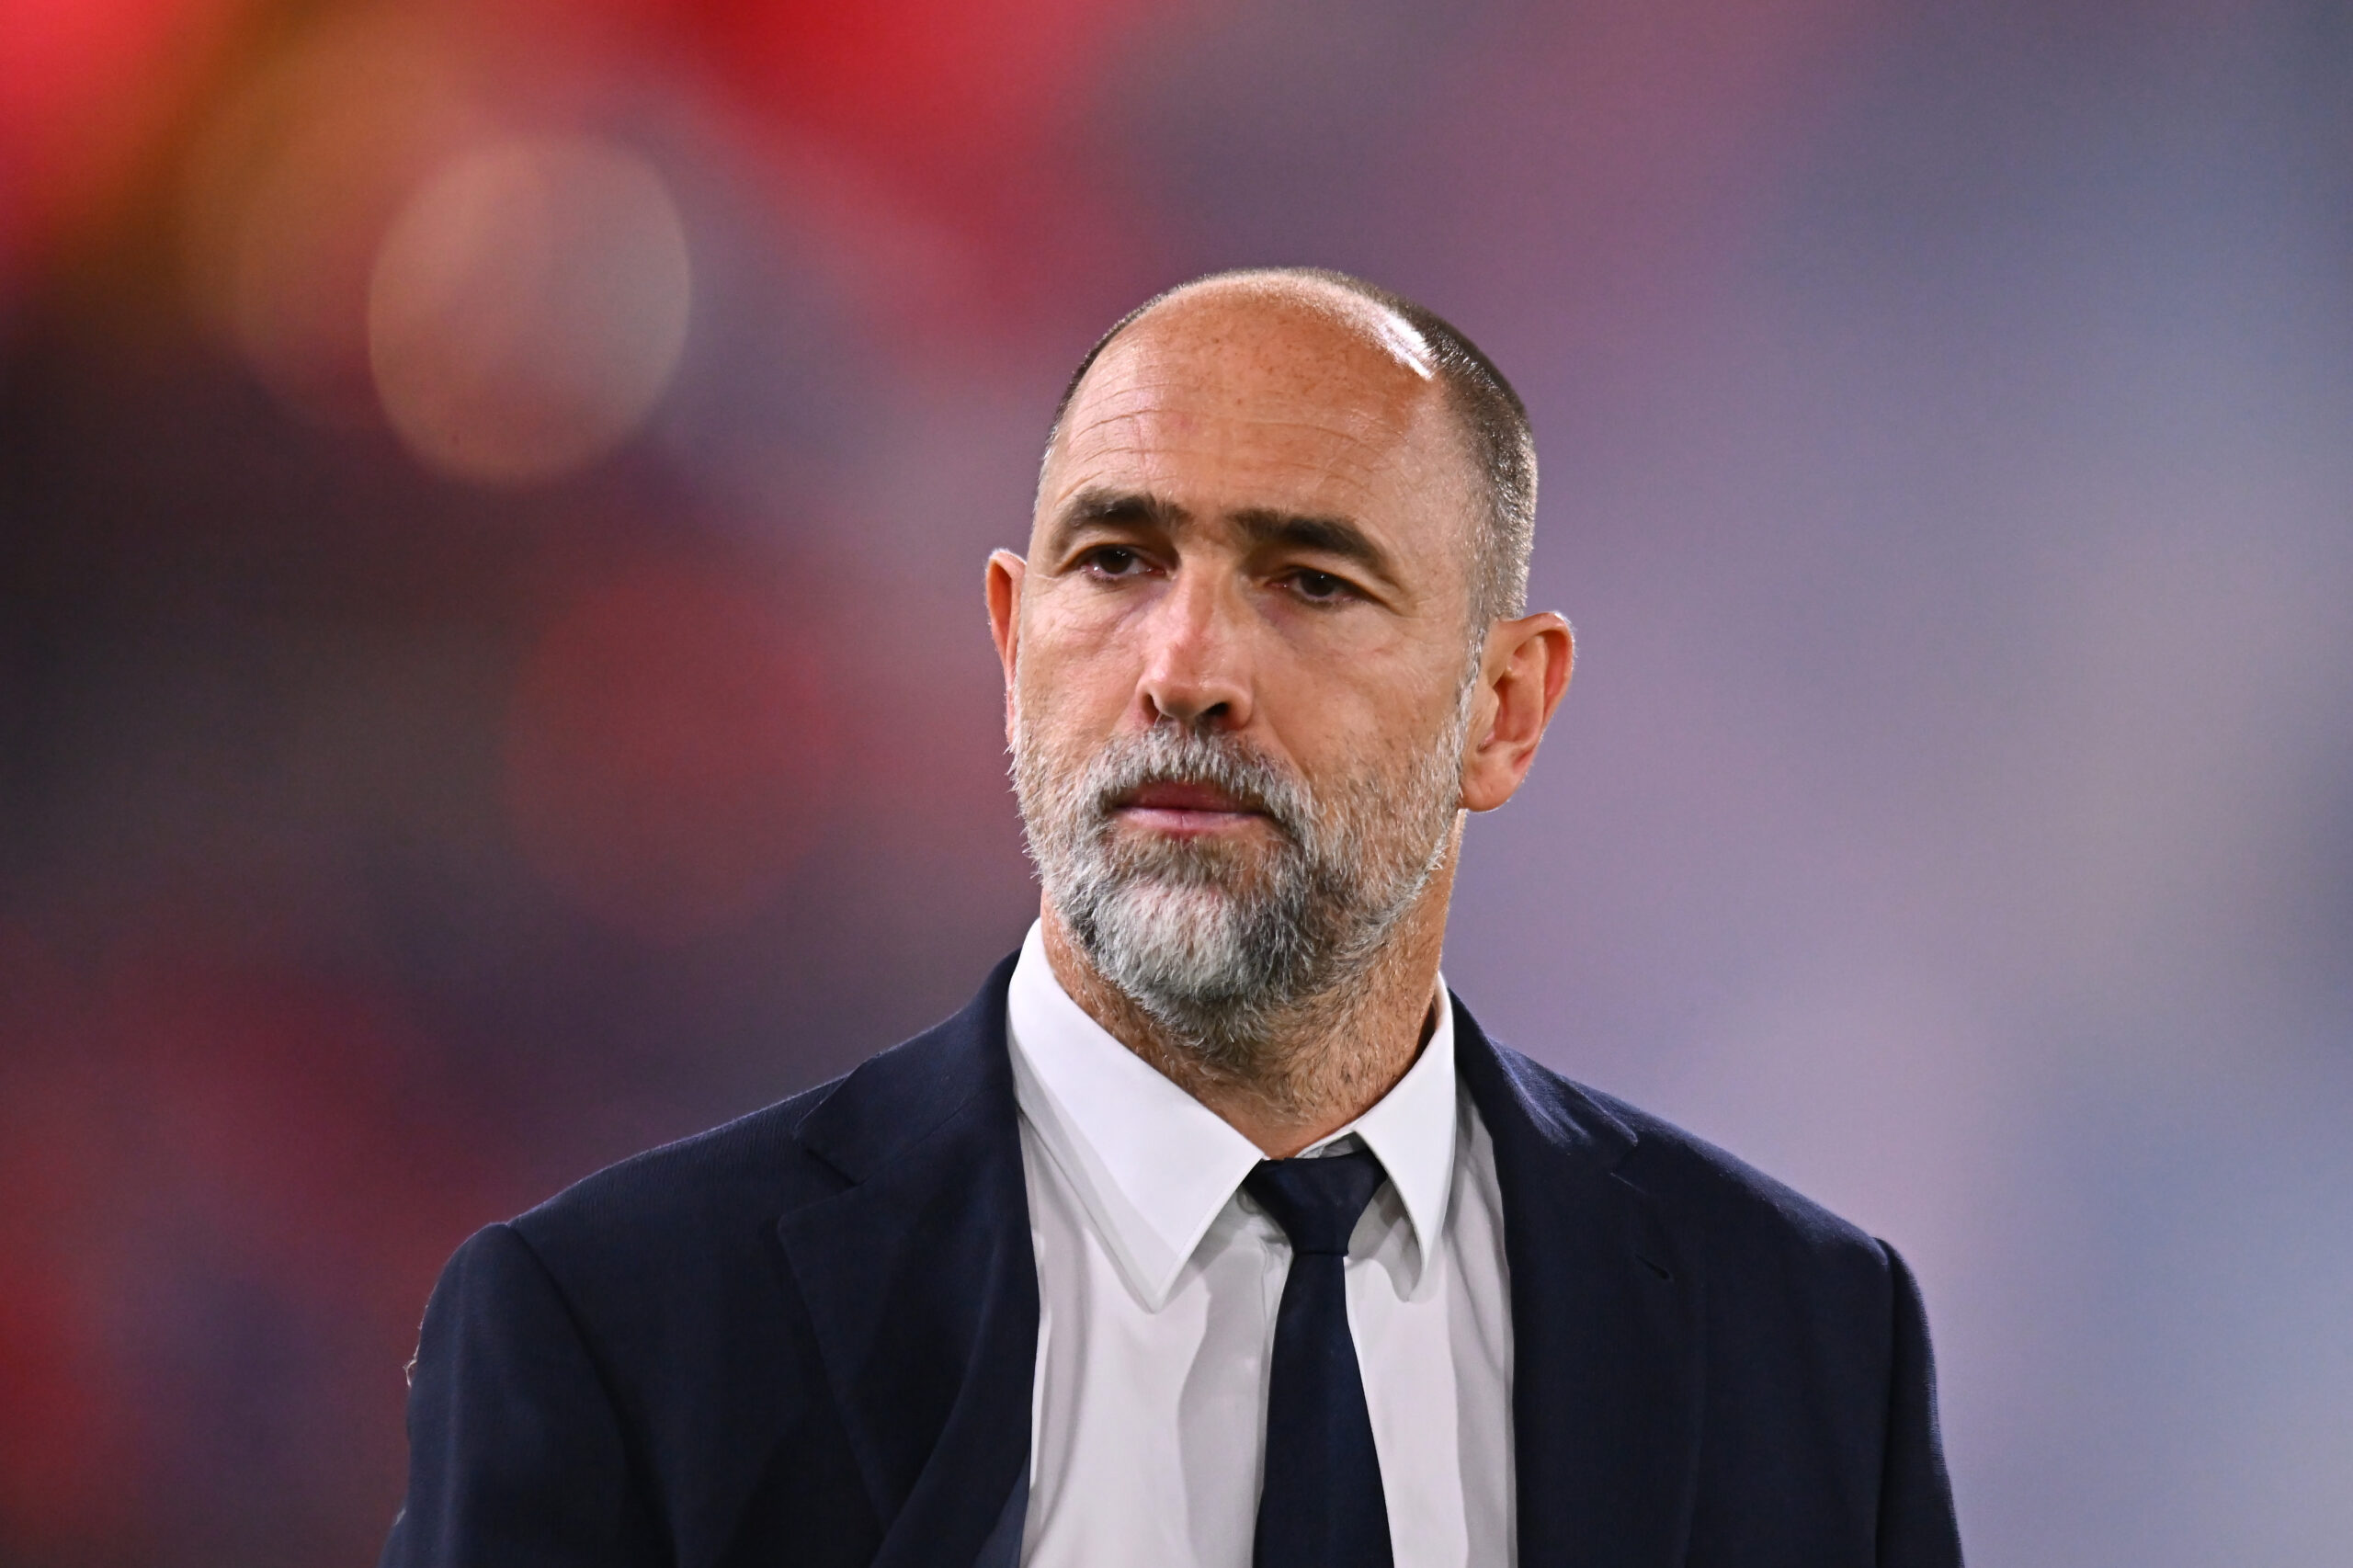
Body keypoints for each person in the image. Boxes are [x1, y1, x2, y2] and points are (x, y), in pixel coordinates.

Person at [382, 267, 1963, 1567]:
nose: (1184, 668)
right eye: (1119, 560)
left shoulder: (1812, 1342)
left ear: (1505, 706)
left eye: (1312, 581)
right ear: (1012, 644)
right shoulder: (618, 1328)